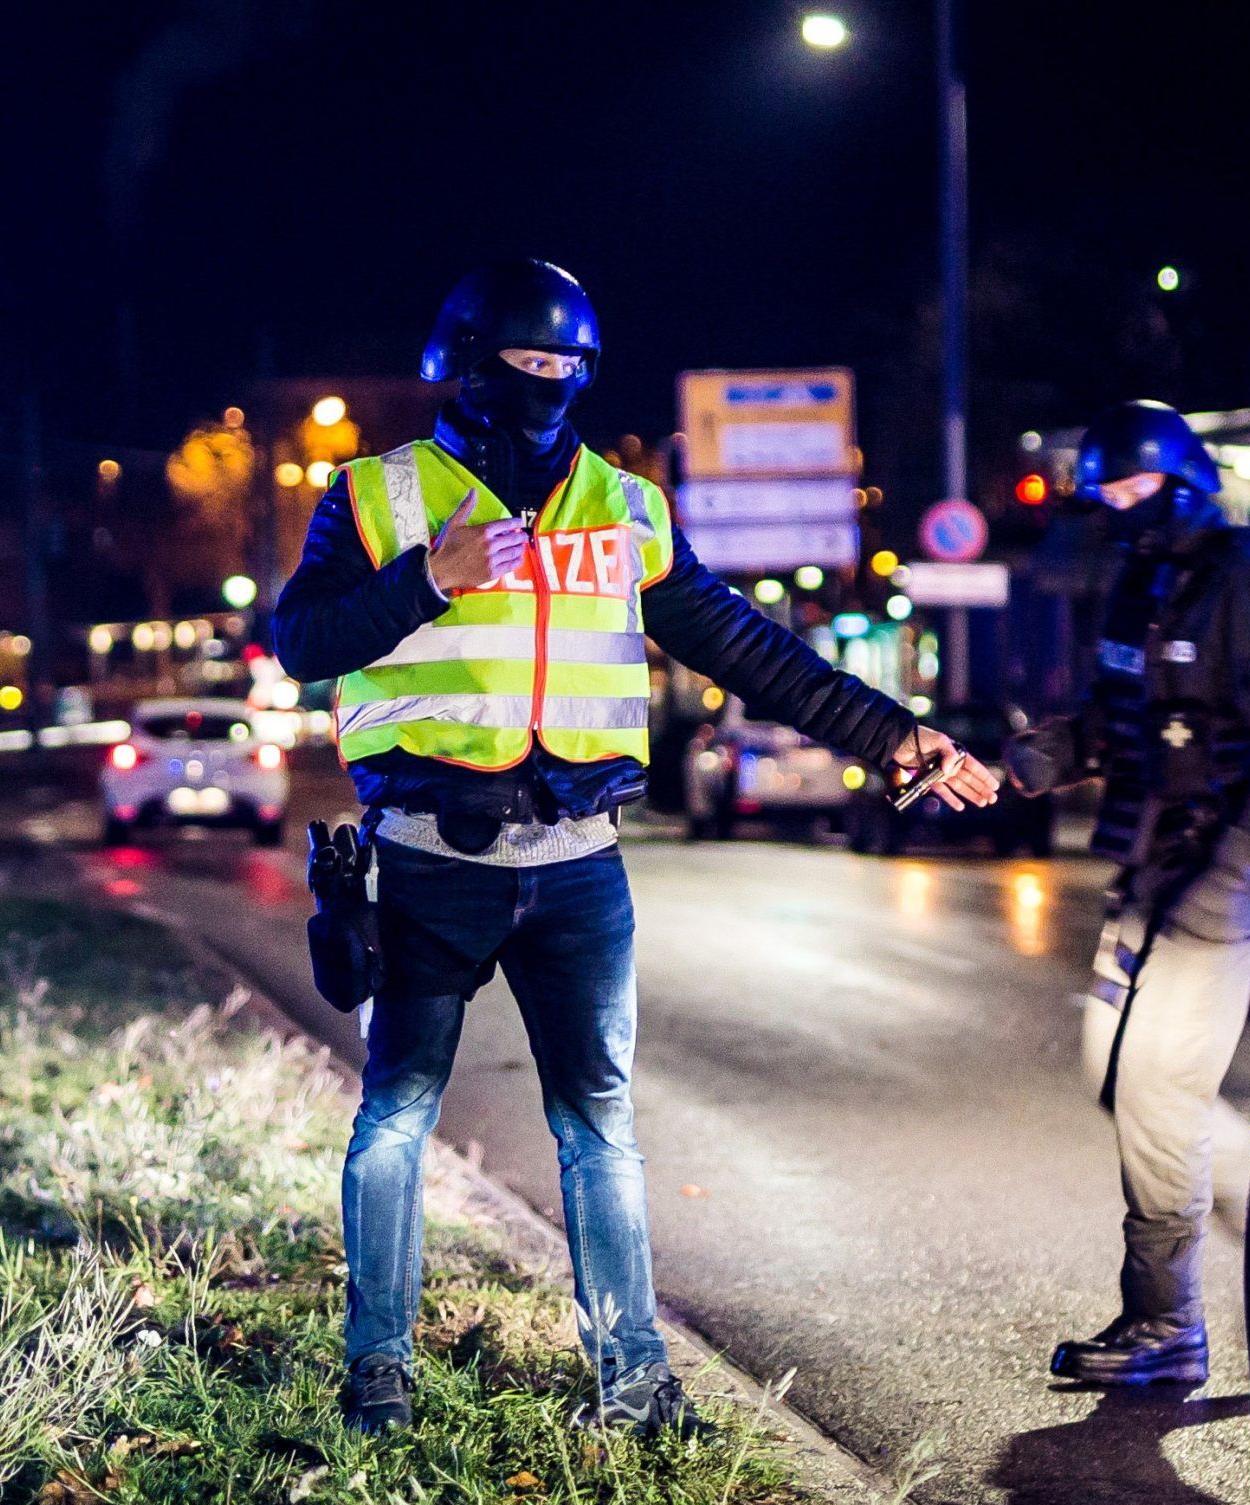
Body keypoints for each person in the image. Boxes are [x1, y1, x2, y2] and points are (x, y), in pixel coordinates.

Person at [273, 256, 996, 1437]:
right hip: (425, 861)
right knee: (393, 1118)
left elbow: (747, 648)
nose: (546, 385)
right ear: (461, 367)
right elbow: (301, 639)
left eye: (567, 367)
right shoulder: (375, 495)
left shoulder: (626, 507)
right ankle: (378, 1378)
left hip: (579, 864)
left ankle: (638, 1385)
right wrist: (427, 579)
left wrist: (893, 733)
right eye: (525, 364)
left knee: (599, 1128)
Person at [1007, 401, 1250, 1387]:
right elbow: (1126, 721)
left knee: (1157, 1086)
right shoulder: (1139, 583)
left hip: (1224, 879)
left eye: (1135, 487)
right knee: (1113, 1072)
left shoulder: (1247, 584)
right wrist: (1040, 755)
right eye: (1105, 492)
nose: (1118, 506)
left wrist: (1237, 864)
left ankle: (1164, 1323)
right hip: (1151, 869)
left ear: (1186, 481)